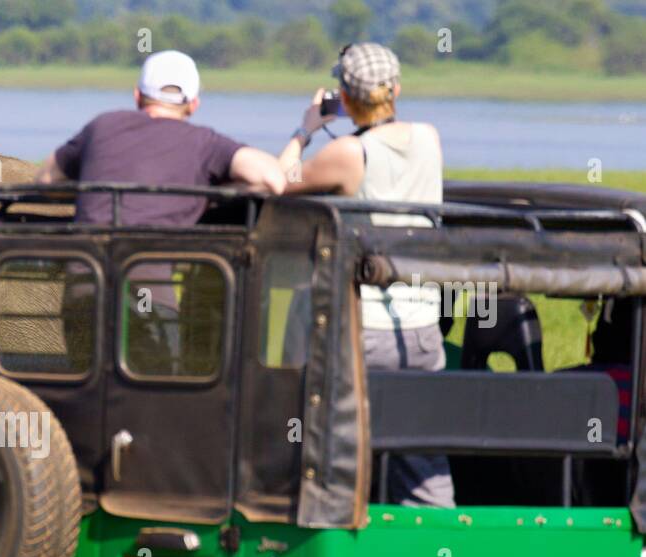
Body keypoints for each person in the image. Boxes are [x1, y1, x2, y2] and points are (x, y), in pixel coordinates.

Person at [278, 42, 454, 508]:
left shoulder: (350, 155)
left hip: (366, 328)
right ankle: (435, 545)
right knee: (422, 453)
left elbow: (279, 181)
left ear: (345, 95)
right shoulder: (429, 138)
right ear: (395, 89)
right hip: (421, 327)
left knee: (339, 445)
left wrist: (306, 129)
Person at [36, 49, 286, 225]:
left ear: (137, 96)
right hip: (153, 287)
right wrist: (209, 193)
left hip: (87, 279)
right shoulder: (204, 143)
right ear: (194, 104)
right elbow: (273, 179)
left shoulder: (102, 125)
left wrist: (90, 190)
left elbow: (45, 178)